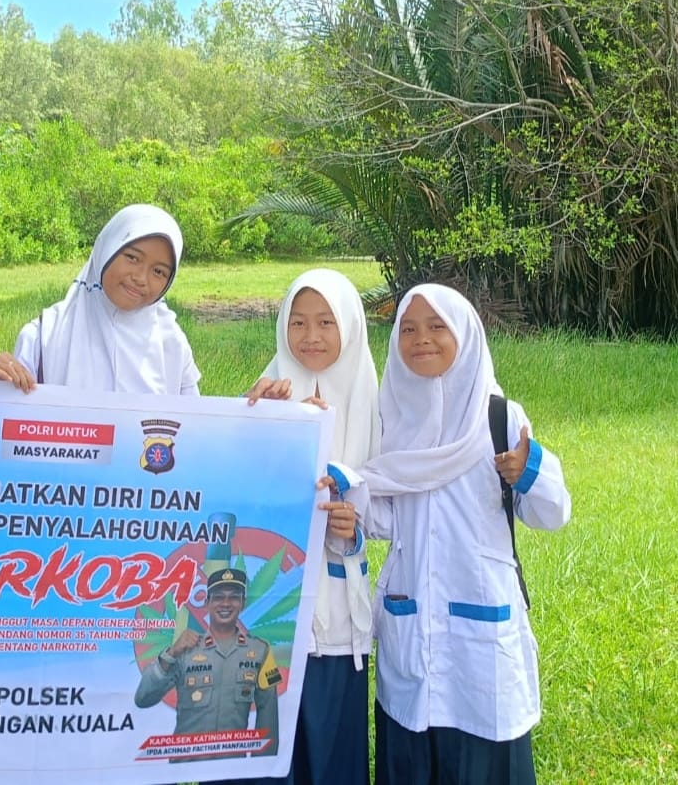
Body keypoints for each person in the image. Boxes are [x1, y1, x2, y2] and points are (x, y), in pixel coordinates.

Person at [361, 283, 570, 785]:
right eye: (407, 329)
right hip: (410, 621)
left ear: (466, 336)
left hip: (482, 631)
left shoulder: (499, 418)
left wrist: (528, 473)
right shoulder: (389, 421)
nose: (421, 339)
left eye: (437, 327)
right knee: (412, 752)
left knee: (485, 757)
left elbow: (553, 513)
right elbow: (384, 520)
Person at [243, 268, 379, 785]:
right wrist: (263, 427)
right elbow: (234, 498)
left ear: (349, 327)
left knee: (331, 752)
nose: (311, 336)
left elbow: (388, 507)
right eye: (298, 322)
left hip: (337, 619)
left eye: (326, 321)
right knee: (265, 749)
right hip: (267, 613)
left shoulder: (376, 403)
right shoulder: (263, 397)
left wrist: (354, 523)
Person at [0, 203, 200, 395]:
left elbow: (195, 425)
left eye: (159, 272)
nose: (141, 278)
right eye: (132, 258)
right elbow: (9, 423)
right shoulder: (44, 336)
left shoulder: (172, 344)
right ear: (106, 249)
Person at [134, 567, 281, 770]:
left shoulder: (260, 650)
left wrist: (263, 766)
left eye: (234, 597)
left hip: (231, 769)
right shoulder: (184, 648)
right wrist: (171, 653)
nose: (226, 604)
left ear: (243, 603)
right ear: (207, 603)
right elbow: (142, 699)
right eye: (218, 597)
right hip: (186, 767)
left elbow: (268, 712)